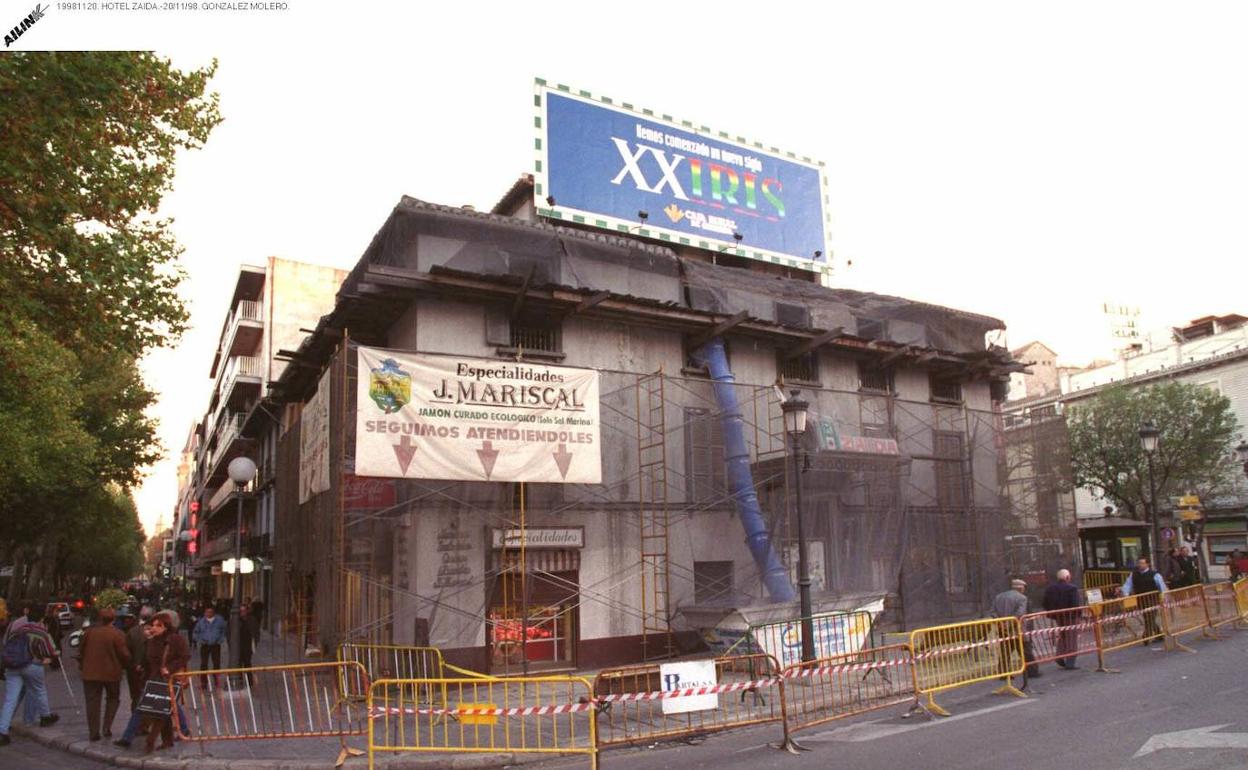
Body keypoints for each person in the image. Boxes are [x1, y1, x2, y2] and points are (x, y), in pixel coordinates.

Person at [0, 605, 60, 747]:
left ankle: (2, 731)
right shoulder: (41, 631)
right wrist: (54, 655)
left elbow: (5, 643)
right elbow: (50, 650)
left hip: (13, 666)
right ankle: (45, 716)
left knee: (10, 699)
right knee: (39, 690)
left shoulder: (17, 628)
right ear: (41, 617)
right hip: (32, 665)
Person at [77, 607, 131, 741]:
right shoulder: (117, 634)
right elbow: (124, 654)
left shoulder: (88, 633)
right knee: (113, 698)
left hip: (90, 673)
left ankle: (93, 732)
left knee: (92, 702)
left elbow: (80, 650)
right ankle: (106, 727)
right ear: (113, 619)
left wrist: (83, 664)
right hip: (112, 673)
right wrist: (127, 663)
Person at [992, 578, 1039, 678]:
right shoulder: (1022, 598)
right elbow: (1020, 614)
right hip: (1017, 629)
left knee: (1005, 651)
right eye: (1023, 588)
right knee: (1025, 650)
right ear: (1021, 588)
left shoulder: (999, 597)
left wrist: (1001, 623)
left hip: (1002, 629)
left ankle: (1004, 673)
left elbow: (993, 612)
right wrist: (1009, 623)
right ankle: (1032, 671)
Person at [1042, 569, 1083, 669]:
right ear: (1067, 577)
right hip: (1070, 616)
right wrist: (1078, 616)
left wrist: (1051, 612)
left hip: (1058, 616)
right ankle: (1070, 662)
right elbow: (1075, 605)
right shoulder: (1072, 589)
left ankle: (1059, 655)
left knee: (1063, 636)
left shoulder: (1050, 589)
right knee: (1071, 638)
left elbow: (1044, 603)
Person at [1121, 556, 1168, 645]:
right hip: (1141, 600)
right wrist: (1126, 595)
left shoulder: (1155, 574)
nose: (1140, 565)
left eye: (1142, 563)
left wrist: (1163, 597)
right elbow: (1127, 585)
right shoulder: (1134, 574)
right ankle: (1159, 635)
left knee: (1150, 617)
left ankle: (1146, 637)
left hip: (1152, 599)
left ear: (1147, 564)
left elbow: (1162, 586)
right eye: (1139, 563)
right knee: (1147, 617)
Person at [191, 606, 226, 674]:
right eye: (207, 612)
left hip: (215, 644)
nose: (209, 614)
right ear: (205, 613)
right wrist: (200, 640)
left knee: (216, 663)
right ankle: (204, 681)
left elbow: (223, 631)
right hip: (205, 645)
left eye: (210, 612)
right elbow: (195, 632)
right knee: (204, 664)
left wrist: (220, 640)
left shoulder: (219, 620)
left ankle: (216, 680)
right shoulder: (201, 621)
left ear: (213, 613)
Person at [239, 605, 260, 675]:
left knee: (247, 663)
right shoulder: (236, 620)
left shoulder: (252, 620)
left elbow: (256, 632)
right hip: (238, 645)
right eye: (241, 611)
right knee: (238, 664)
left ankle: (249, 682)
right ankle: (239, 681)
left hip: (248, 645)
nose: (242, 613)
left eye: (244, 611)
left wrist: (255, 643)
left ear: (247, 611)